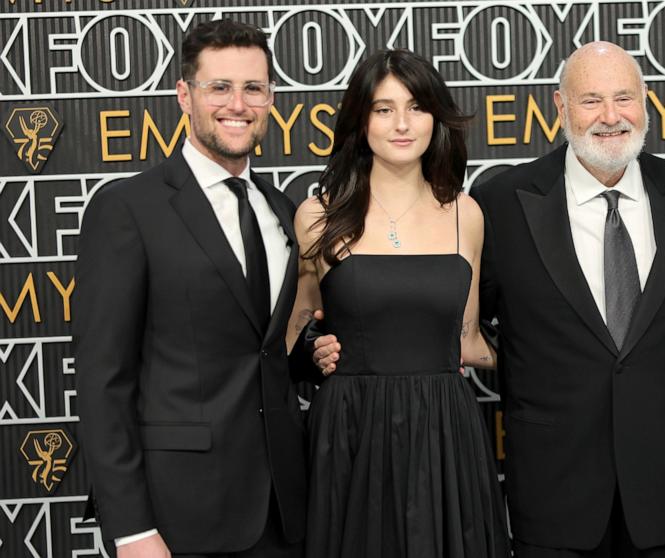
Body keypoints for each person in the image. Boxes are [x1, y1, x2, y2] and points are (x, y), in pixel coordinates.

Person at [470, 42, 665, 557]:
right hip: (552, 489)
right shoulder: (500, 203)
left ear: (645, 103)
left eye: (624, 98)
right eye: (591, 100)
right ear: (560, 107)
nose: (610, 117)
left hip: (664, 490)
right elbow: (465, 325)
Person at [74, 20, 306, 558]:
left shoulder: (281, 208)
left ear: (271, 98)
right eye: (219, 87)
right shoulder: (128, 209)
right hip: (178, 517)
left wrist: (314, 354)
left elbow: (262, 349)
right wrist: (131, 529)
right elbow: (102, 381)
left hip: (285, 511)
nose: (238, 105)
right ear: (184, 95)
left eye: (253, 88)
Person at [287, 49, 509, 558]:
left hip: (445, 431)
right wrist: (313, 352)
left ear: (436, 117)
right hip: (351, 427)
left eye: (416, 107)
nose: (402, 124)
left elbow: (469, 340)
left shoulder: (466, 214)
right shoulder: (317, 217)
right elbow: (293, 334)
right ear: (360, 120)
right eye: (384, 109)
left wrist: (562, 361)